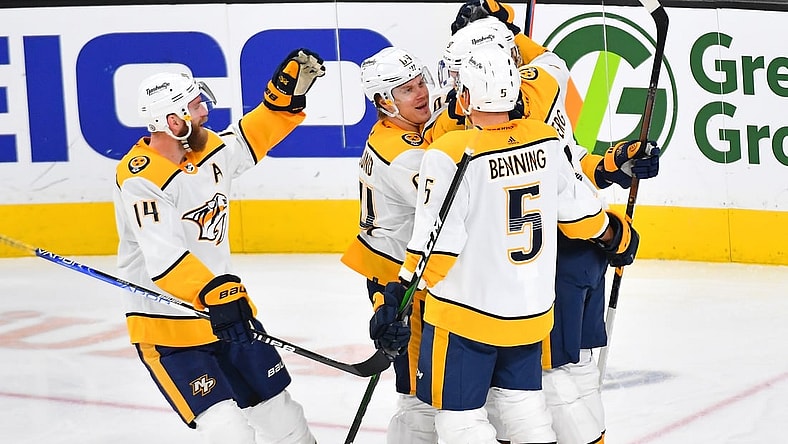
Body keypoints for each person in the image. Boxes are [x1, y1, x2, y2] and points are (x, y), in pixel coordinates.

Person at [371, 44, 640, 444]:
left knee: (460, 422)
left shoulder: (449, 153)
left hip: (466, 316)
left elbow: (436, 248)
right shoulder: (545, 140)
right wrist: (615, 236)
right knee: (526, 411)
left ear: (463, 97)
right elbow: (581, 217)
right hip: (530, 313)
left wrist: (396, 297)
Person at [446, 2, 661, 443]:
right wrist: (616, 169)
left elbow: (568, 165)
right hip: (586, 246)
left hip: (551, 259)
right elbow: (572, 162)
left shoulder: (487, 114)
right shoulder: (544, 82)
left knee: (549, 383)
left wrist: (611, 167)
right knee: (579, 372)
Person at [112, 49, 325, 444]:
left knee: (284, 419)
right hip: (169, 329)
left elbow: (248, 138)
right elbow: (164, 255)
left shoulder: (205, 149)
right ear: (173, 121)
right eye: (196, 106)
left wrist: (282, 104)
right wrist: (217, 293)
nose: (205, 111)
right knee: (228, 431)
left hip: (222, 314)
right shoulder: (140, 177)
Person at [340, 46, 439, 443]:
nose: (421, 95)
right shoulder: (403, 155)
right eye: (407, 90)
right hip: (402, 284)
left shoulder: (396, 133)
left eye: (420, 84)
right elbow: (458, 200)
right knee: (419, 399)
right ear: (383, 101)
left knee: (429, 389)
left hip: (395, 273)